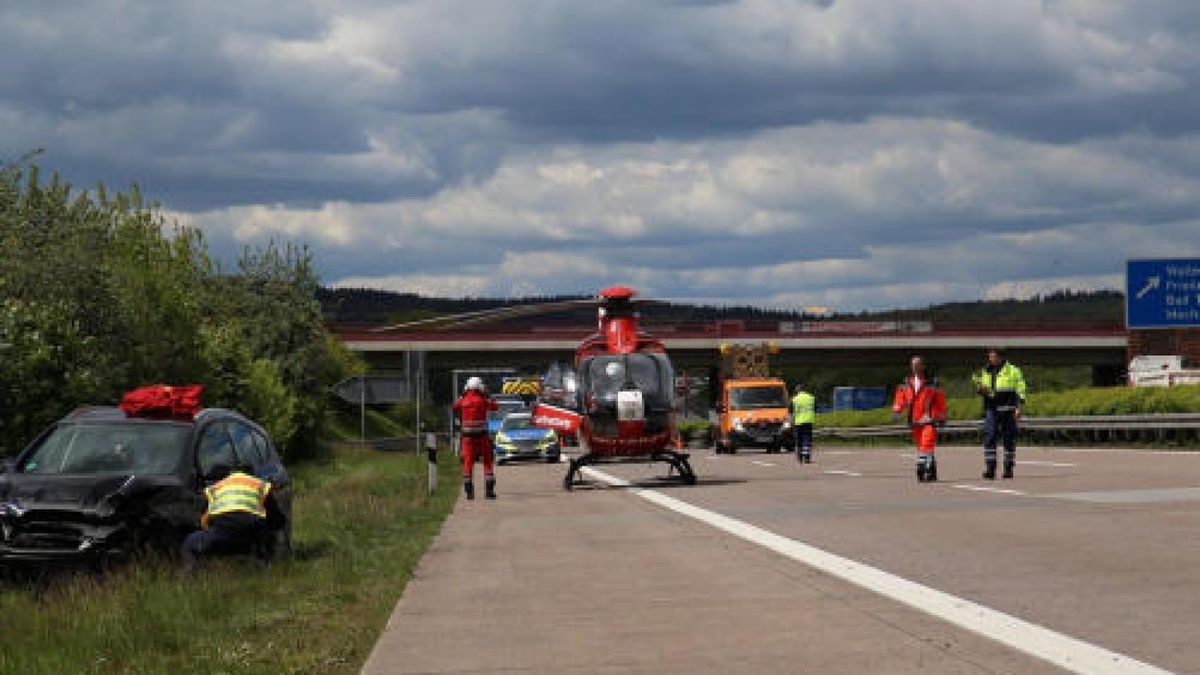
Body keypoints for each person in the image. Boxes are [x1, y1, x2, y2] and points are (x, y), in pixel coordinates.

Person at [181, 462, 283, 572]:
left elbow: (203, 520)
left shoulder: (216, 488)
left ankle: (190, 573)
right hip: (250, 535)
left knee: (190, 542)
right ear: (252, 474)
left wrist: (210, 531)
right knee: (269, 534)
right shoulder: (259, 485)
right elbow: (276, 519)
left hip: (221, 533)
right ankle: (266, 568)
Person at [972, 348, 1027, 480]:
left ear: (1000, 358)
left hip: (1008, 410)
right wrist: (981, 389)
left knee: (1009, 439)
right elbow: (984, 389)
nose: (990, 359)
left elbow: (1021, 389)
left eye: (993, 357)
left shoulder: (1014, 370)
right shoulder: (986, 370)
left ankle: (1008, 468)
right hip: (991, 409)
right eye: (989, 357)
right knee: (990, 437)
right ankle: (990, 469)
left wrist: (1018, 407)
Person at [892, 356, 947, 482]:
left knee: (926, 444)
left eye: (917, 365)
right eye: (913, 365)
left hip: (929, 419)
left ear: (923, 366)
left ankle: (921, 467)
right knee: (923, 446)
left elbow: (940, 401)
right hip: (915, 420)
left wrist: (941, 415)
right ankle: (931, 472)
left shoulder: (932, 383)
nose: (914, 367)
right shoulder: (906, 383)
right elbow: (900, 399)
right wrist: (897, 409)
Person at [452, 376, 499, 500]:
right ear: (479, 387)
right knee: (487, 462)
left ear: (467, 387)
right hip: (482, 436)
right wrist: (487, 395)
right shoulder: (483, 400)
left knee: (468, 463)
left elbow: (455, 406)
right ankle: (489, 493)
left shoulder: (463, 401)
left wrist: (463, 395)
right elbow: (495, 407)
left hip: (467, 438)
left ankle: (469, 493)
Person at [790, 383, 815, 464]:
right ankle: (807, 458)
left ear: (798, 390)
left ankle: (800, 458)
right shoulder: (811, 398)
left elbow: (791, 412)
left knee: (799, 440)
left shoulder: (794, 399)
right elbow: (814, 409)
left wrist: (791, 422)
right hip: (808, 421)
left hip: (798, 422)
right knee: (807, 440)